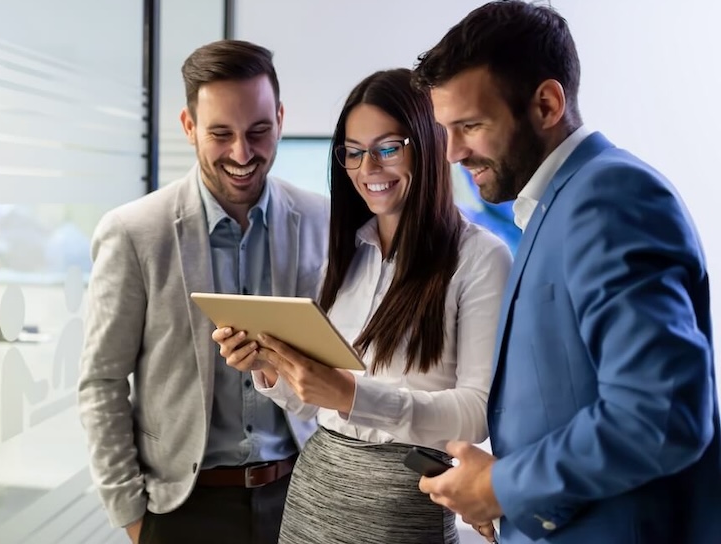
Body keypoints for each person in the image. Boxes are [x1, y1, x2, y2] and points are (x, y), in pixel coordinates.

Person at [411, 2, 720, 543]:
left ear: (547, 104)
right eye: (446, 129)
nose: (454, 151)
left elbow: (661, 413)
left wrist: (502, 486)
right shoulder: (553, 206)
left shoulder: (609, 198)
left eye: (471, 126)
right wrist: (507, 501)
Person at [214, 68, 512, 544]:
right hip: (315, 489)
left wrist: (351, 395)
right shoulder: (348, 251)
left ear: (429, 145)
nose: (367, 168)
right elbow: (312, 398)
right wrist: (271, 367)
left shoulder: (480, 258)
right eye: (353, 152)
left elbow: (476, 413)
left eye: (387, 148)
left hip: (401, 503)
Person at [77, 39, 330, 544]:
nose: (242, 154)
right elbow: (101, 382)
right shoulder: (134, 232)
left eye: (259, 131)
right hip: (182, 509)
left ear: (280, 117)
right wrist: (131, 515)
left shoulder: (324, 221)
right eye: (221, 134)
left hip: (303, 495)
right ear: (189, 127)